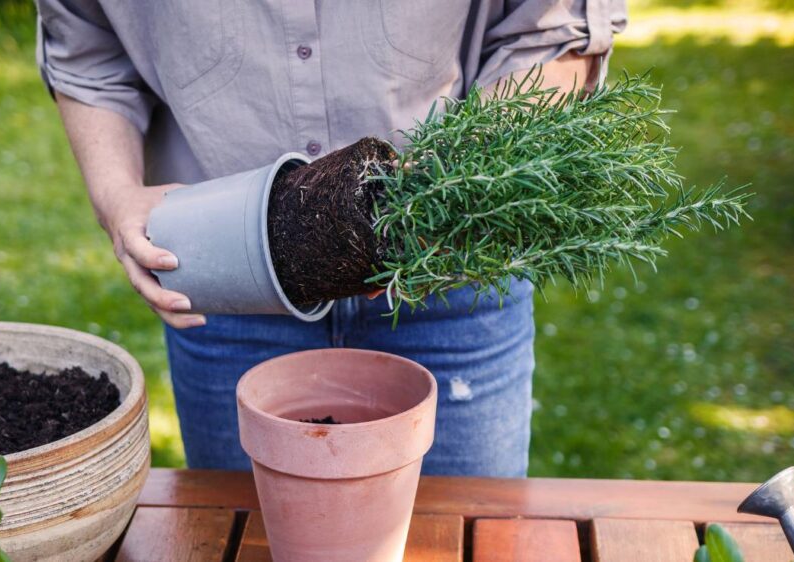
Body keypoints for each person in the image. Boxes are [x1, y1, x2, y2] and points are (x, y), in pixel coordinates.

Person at [36, 0, 626, 477]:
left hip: (447, 274)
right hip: (224, 267)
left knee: (462, 537)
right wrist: (116, 197)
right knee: (249, 539)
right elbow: (89, 51)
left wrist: (461, 185)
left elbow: (550, 29)